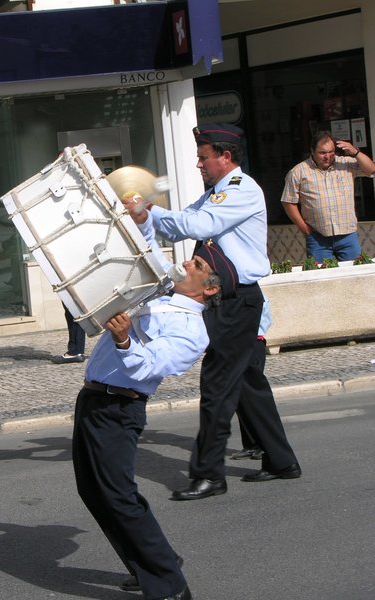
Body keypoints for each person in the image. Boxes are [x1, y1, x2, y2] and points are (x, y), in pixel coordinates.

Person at [73, 212, 238, 600]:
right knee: (93, 492)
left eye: (196, 265)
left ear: (210, 289)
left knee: (119, 495)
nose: (185, 263)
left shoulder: (191, 331)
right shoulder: (163, 294)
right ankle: (148, 563)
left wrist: (125, 340)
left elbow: (150, 365)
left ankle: (170, 586)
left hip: (119, 408)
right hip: (94, 398)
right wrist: (141, 216)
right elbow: (142, 251)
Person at [144, 122, 300, 500]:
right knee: (248, 383)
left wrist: (149, 211)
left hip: (235, 301)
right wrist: (148, 214)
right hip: (228, 299)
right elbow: (182, 223)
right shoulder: (217, 192)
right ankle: (281, 461)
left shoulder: (240, 190)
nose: (199, 164)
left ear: (225, 157)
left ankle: (210, 474)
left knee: (216, 387)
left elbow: (196, 224)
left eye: (203, 157)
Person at [280, 130, 375, 262]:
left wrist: (356, 152)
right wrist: (305, 229)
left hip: (347, 235)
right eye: (322, 153)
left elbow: (371, 170)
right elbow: (288, 201)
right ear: (312, 151)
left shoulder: (345, 164)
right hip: (318, 238)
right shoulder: (298, 172)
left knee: (355, 275)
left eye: (331, 152)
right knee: (321, 278)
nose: (327, 156)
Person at [230, 299, 271, 461]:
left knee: (253, 398)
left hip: (252, 342)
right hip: (238, 345)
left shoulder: (253, 293)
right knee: (240, 397)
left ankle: (263, 444)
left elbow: (263, 318)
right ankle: (251, 443)